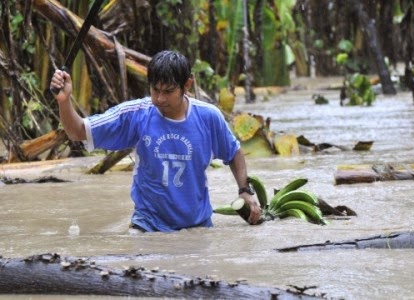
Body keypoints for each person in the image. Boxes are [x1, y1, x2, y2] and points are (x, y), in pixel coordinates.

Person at [50, 50, 262, 232]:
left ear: (187, 84)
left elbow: (233, 152)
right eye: (155, 90)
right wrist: (64, 101)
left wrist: (245, 190)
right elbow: (77, 131)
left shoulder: (209, 117)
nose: (160, 99)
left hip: (197, 227)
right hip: (147, 226)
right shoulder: (136, 114)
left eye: (168, 92)